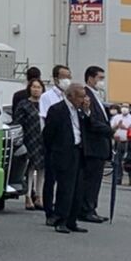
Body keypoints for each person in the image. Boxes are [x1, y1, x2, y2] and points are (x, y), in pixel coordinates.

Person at [42, 83, 91, 234]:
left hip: (79, 151)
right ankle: (60, 219)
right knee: (65, 189)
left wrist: (86, 111)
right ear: (71, 96)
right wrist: (55, 151)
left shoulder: (80, 111)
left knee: (78, 189)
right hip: (63, 153)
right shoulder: (57, 110)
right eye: (81, 97)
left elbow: (89, 127)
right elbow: (48, 134)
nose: (83, 100)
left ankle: (72, 220)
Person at [38, 63, 71, 225]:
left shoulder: (69, 96)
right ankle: (48, 212)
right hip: (52, 142)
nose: (67, 80)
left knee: (64, 179)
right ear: (56, 78)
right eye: (64, 77)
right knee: (50, 179)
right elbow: (44, 120)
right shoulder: (47, 97)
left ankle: (61, 210)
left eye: (69, 77)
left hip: (67, 143)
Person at [79, 65, 110, 223]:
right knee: (90, 180)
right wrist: (110, 130)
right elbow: (91, 121)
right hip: (92, 145)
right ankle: (86, 209)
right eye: (100, 78)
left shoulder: (97, 95)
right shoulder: (86, 95)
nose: (102, 81)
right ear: (91, 78)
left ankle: (92, 207)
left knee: (96, 180)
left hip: (100, 146)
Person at [14, 78, 47, 210]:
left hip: (43, 139)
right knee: (29, 168)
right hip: (29, 139)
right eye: (34, 87)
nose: (36, 89)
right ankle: (28, 196)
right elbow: (18, 122)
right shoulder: (24, 104)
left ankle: (39, 196)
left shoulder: (45, 104)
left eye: (39, 87)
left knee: (42, 168)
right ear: (29, 88)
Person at [112, 102, 131, 186]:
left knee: (129, 161)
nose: (124, 109)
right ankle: (118, 178)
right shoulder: (116, 117)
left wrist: (125, 128)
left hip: (129, 142)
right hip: (118, 142)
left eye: (126, 107)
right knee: (118, 161)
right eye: (123, 107)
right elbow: (111, 128)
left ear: (129, 109)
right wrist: (117, 126)